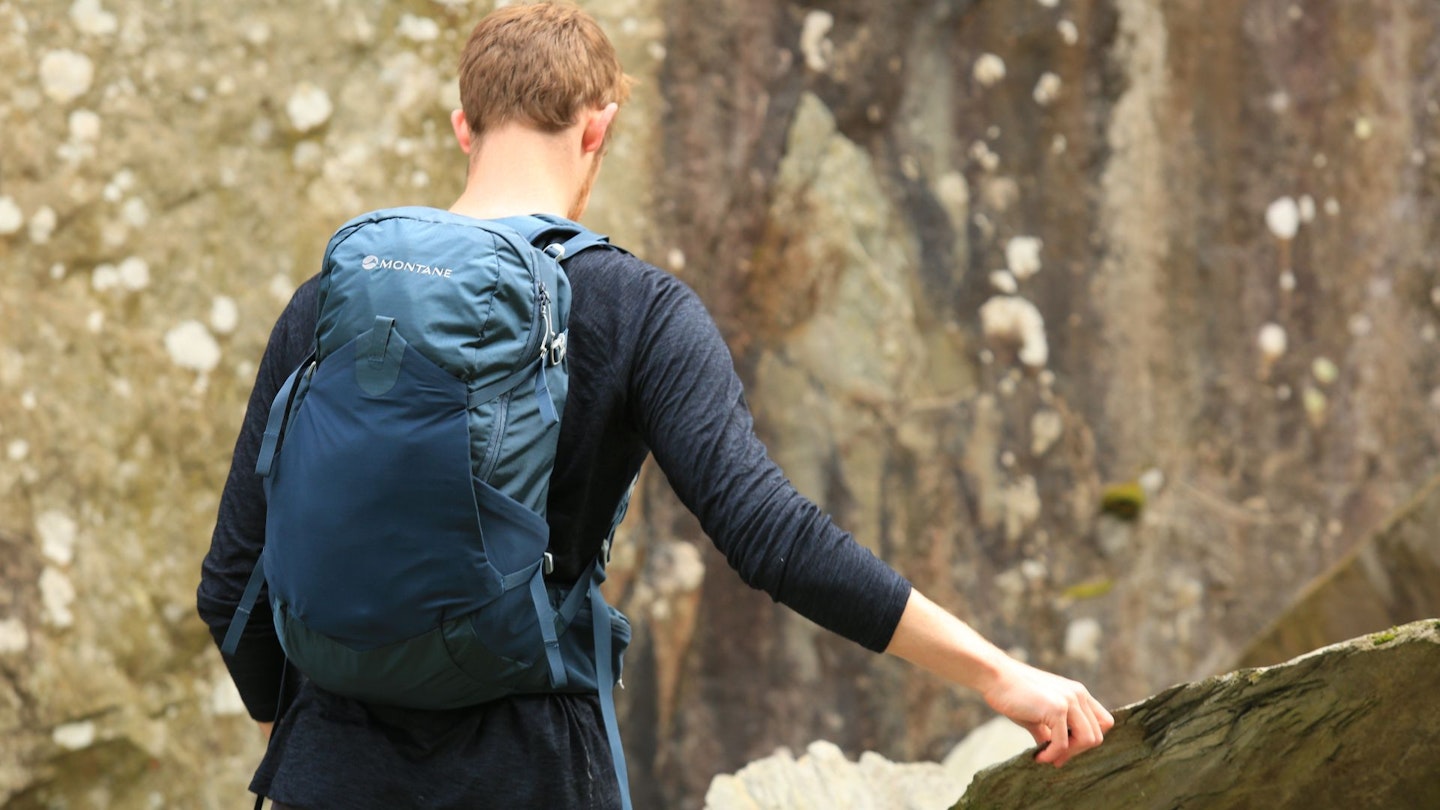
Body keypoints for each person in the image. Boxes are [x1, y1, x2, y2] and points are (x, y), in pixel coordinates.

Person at [196, 2, 1114, 807]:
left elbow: (231, 578)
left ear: (463, 127)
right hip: (535, 776)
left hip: (329, 772)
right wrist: (999, 676)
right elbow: (771, 536)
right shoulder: (637, 308)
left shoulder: (335, 298)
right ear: (599, 128)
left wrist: (300, 733)